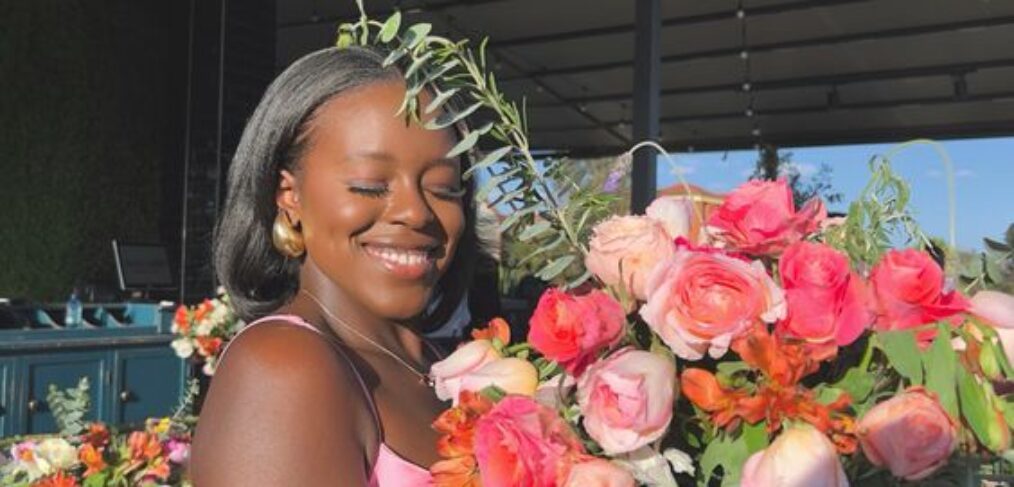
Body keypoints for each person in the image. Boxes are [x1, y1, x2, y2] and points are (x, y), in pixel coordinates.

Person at [189, 45, 478, 486]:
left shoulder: (439, 367)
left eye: (443, 188)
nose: (416, 212)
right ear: (289, 197)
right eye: (369, 186)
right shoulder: (285, 368)